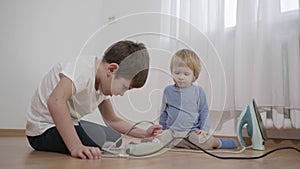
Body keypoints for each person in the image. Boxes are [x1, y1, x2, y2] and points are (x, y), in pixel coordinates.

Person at [26, 40, 163, 159]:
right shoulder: (82, 70)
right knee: (96, 138)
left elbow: (112, 120)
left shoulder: (103, 85)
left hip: (68, 124)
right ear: (112, 69)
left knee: (115, 138)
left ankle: (92, 142)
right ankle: (85, 143)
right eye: (124, 87)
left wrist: (143, 133)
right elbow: (55, 101)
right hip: (42, 131)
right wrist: (76, 147)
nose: (122, 93)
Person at [158, 49, 237, 150]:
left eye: (186, 74)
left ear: (194, 75)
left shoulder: (198, 91)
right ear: (172, 72)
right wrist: (161, 130)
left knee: (205, 142)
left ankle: (220, 142)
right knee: (156, 141)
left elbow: (204, 112)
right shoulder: (168, 90)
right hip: (172, 132)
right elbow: (163, 112)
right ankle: (179, 143)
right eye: (177, 73)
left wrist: (204, 129)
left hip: (191, 133)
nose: (181, 77)